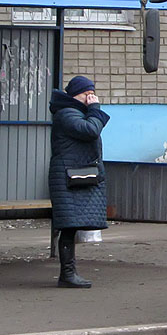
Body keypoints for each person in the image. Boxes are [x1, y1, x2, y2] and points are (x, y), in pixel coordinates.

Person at [48, 76, 110, 289]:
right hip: (66, 177)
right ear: (76, 95)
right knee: (68, 226)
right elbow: (90, 130)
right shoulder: (67, 114)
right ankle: (67, 274)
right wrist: (95, 108)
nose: (91, 98)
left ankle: (69, 273)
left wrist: (91, 110)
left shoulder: (73, 112)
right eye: (87, 94)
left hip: (73, 175)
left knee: (71, 226)